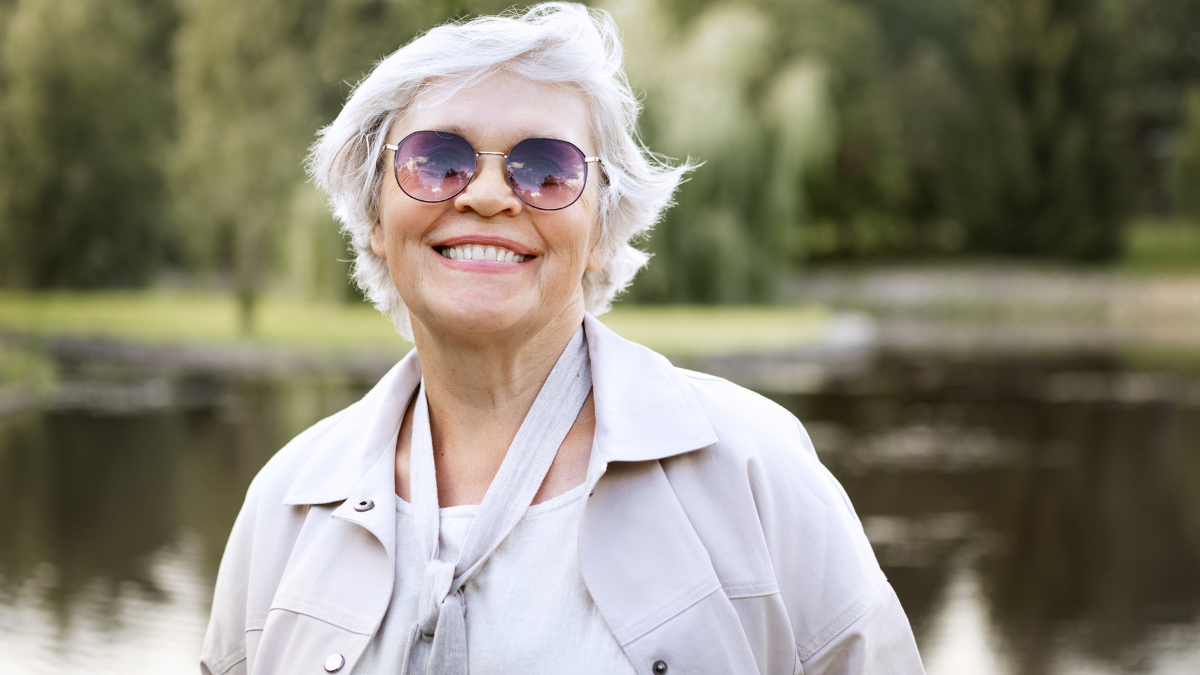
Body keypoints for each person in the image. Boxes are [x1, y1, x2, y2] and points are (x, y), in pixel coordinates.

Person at [200, 4, 925, 674]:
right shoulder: (287, 504)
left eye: (545, 169)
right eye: (437, 159)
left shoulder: (756, 473)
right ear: (374, 218)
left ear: (602, 233)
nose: (486, 195)